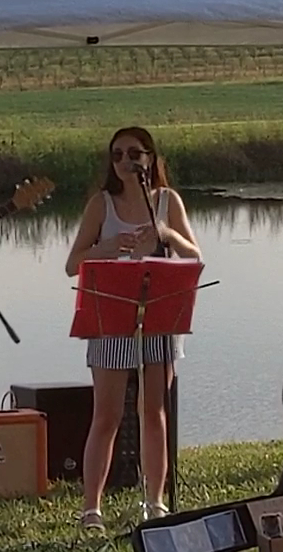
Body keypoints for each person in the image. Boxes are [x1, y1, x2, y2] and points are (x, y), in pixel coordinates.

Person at [66, 126, 201, 530]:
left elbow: (194, 255)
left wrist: (167, 234)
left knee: (154, 411)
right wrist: (104, 250)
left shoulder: (167, 201)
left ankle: (155, 502)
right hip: (112, 319)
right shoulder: (100, 205)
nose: (127, 161)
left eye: (135, 154)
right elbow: (73, 264)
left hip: (157, 318)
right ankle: (92, 508)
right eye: (118, 155)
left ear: (150, 158)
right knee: (106, 415)